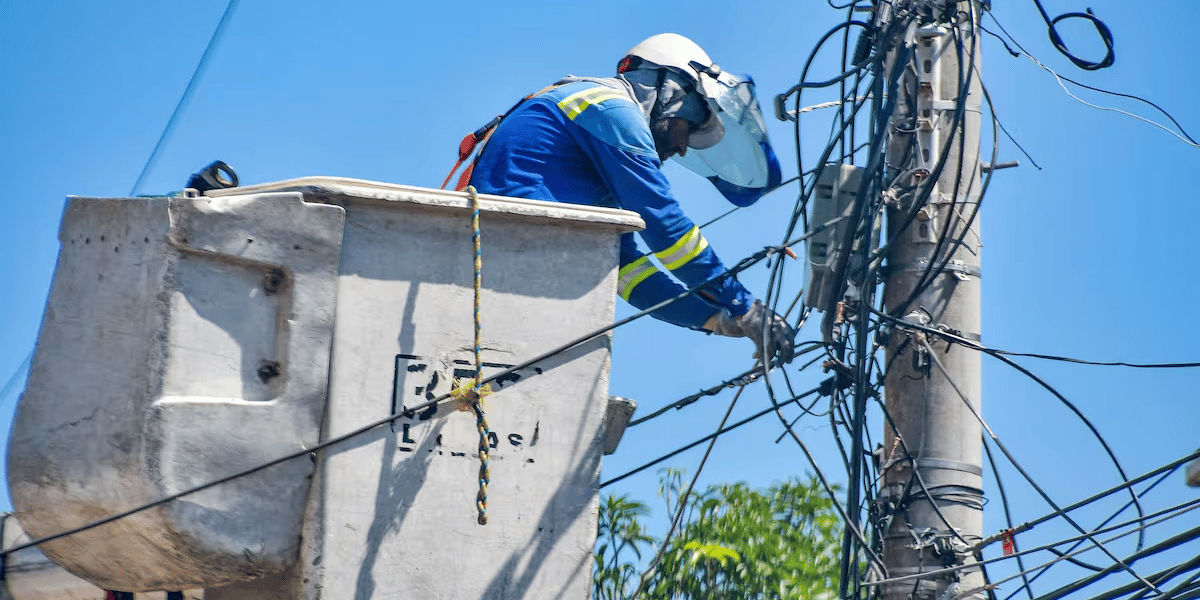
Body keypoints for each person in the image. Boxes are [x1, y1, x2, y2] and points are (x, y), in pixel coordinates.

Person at [466, 33, 795, 365]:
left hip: (507, 262)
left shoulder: (595, 145)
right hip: (513, 252)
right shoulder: (612, 110)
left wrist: (714, 319)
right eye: (689, 125)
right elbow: (665, 227)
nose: (683, 147)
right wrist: (744, 306)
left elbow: (624, 270)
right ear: (670, 92)